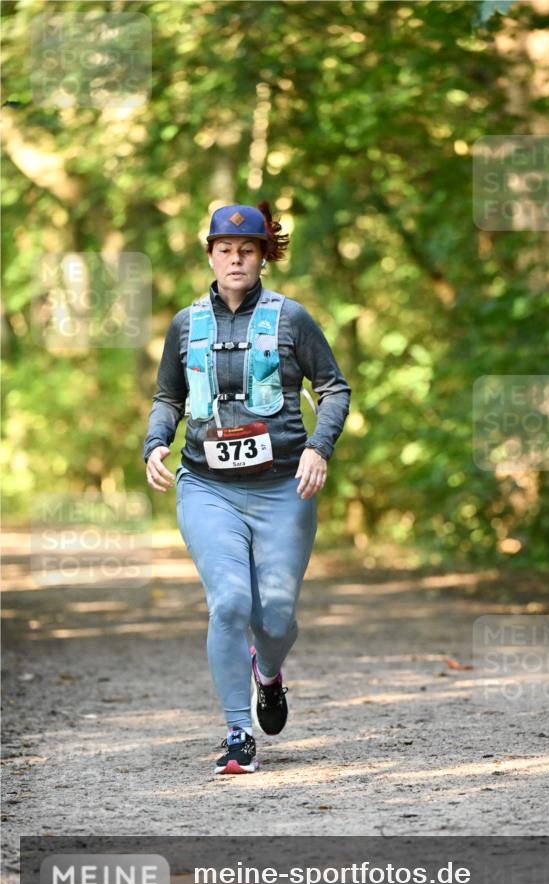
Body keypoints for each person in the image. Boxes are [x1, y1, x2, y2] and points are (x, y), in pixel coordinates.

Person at [143, 202, 351, 774]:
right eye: (225, 251)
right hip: (207, 486)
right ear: (210, 255)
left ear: (263, 257)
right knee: (230, 602)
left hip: (284, 486)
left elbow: (334, 389)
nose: (236, 260)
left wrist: (318, 448)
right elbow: (168, 397)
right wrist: (155, 443)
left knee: (276, 619)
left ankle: (269, 672)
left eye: (248, 251)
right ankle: (238, 732)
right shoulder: (186, 324)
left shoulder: (293, 319)